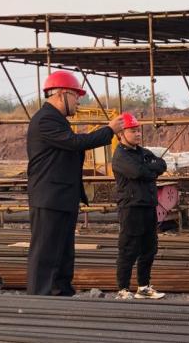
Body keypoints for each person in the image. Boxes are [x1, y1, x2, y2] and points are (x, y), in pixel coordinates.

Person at [26, 71, 124, 296]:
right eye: (76, 96)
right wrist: (109, 130)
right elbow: (75, 142)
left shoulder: (57, 120)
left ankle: (61, 291)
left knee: (62, 249)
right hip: (49, 197)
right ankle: (40, 296)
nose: (79, 101)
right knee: (46, 250)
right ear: (62, 94)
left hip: (61, 196)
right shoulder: (45, 119)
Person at [111, 112, 168, 300]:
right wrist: (150, 170)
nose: (137, 134)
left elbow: (162, 165)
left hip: (148, 206)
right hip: (131, 208)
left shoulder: (143, 152)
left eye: (138, 130)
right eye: (133, 131)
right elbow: (137, 172)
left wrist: (149, 169)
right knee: (128, 248)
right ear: (121, 134)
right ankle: (123, 289)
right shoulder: (120, 156)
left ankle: (143, 287)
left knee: (149, 248)